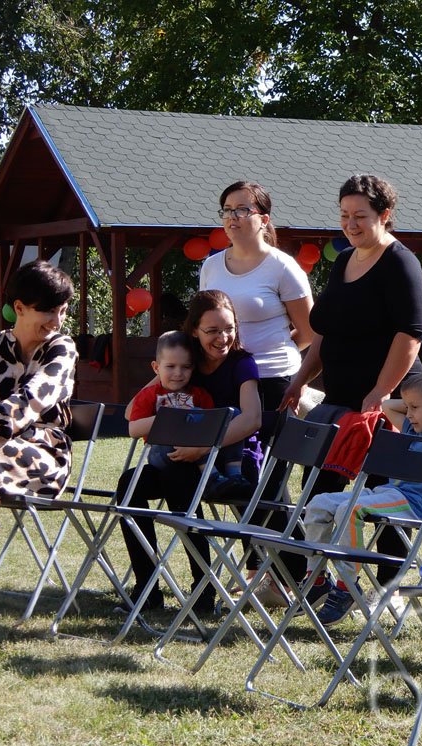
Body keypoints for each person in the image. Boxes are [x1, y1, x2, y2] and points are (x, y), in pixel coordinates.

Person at [280, 175, 422, 588]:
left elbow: (410, 334)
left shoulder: (401, 262)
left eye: (360, 216)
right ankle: (321, 578)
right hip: (339, 400)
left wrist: (380, 391)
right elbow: (323, 332)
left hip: (384, 402)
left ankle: (389, 588)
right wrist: (298, 380)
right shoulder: (344, 261)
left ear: (385, 215)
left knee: (382, 497)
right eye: (344, 216)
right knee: (319, 491)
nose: (351, 224)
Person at [119, 290, 263, 613]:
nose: (222, 337)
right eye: (212, 330)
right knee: (129, 485)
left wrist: (201, 447)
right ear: (195, 331)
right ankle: (147, 588)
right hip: (173, 459)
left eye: (229, 328)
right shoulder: (187, 361)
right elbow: (132, 413)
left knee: (180, 485)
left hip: (220, 460)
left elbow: (251, 419)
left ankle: (203, 590)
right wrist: (162, 382)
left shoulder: (240, 364)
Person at [302, 370, 422, 625]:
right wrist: (416, 403)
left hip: (411, 504)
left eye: (415, 407)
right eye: (407, 407)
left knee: (350, 511)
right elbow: (387, 405)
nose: (408, 414)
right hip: (386, 494)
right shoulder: (411, 426)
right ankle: (317, 578)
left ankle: (347, 587)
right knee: (318, 503)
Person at [201, 181, 313, 415]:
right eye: (227, 210)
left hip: (274, 379)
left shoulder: (283, 266)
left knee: (269, 451)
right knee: (224, 450)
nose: (233, 216)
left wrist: (269, 350)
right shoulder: (210, 266)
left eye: (242, 209)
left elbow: (309, 331)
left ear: (264, 219)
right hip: (224, 376)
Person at [0, 260, 77, 537]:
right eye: (48, 311)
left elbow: (33, 399)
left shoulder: (61, 349)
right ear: (19, 308)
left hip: (44, 455)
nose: (57, 321)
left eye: (62, 311)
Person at [128, 330, 250, 498]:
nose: (178, 373)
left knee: (231, 415)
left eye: (185, 367)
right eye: (170, 366)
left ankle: (234, 473)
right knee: (190, 420)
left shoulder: (199, 394)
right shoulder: (149, 394)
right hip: (162, 451)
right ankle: (212, 479)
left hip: (196, 452)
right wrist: (170, 418)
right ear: (156, 367)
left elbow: (211, 428)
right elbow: (133, 430)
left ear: (193, 368)